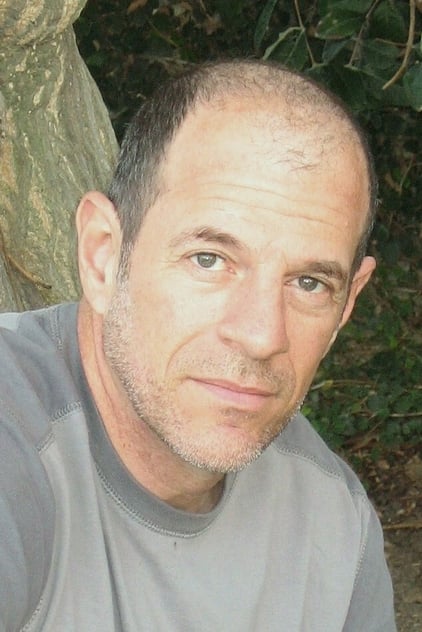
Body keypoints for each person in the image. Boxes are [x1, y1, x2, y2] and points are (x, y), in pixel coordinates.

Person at [0, 59, 395, 631]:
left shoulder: (333, 526)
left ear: (346, 306)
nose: (261, 335)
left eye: (309, 283)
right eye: (209, 260)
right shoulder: (15, 443)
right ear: (103, 256)